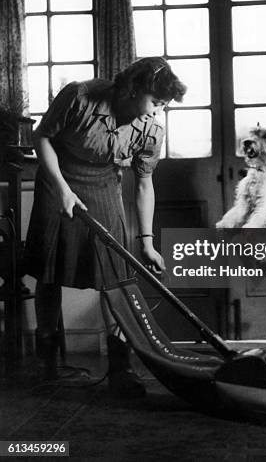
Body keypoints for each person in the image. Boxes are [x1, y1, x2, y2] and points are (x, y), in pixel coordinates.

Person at [24, 56, 186, 395]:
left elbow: (144, 183)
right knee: (50, 272)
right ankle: (48, 366)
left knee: (114, 277)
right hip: (58, 180)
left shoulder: (151, 128)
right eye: (156, 102)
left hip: (103, 186)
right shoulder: (80, 96)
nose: (158, 112)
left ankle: (120, 369)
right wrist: (63, 191)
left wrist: (147, 241)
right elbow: (42, 138)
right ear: (134, 89)